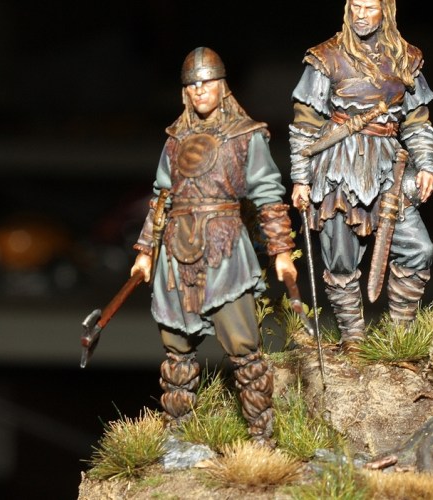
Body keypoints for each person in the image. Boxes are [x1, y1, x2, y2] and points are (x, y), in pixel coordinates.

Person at [130, 47, 296, 443]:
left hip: (224, 247)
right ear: (185, 91)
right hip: (176, 249)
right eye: (193, 84)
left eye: (207, 82)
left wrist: (281, 251)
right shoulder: (175, 138)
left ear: (222, 86)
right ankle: (178, 432)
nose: (200, 90)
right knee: (176, 346)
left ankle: (261, 435)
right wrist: (145, 251)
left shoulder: (245, 135)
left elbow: (268, 195)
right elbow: (161, 196)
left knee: (243, 345)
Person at [288, 0, 433, 352]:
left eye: (369, 7)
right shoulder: (326, 57)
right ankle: (352, 339)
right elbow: (305, 125)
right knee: (340, 258)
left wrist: (427, 164)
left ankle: (401, 339)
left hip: (389, 169)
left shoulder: (405, 58)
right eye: (355, 6)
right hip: (337, 170)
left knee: (418, 249)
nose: (360, 15)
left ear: (385, 10)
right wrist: (301, 179)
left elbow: (417, 122)